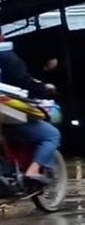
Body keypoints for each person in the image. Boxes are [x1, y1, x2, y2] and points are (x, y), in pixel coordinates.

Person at [0, 37, 61, 186]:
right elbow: (24, 81)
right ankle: (32, 172)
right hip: (6, 113)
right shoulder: (6, 55)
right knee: (51, 135)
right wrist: (43, 88)